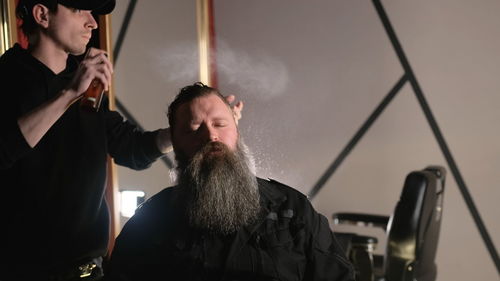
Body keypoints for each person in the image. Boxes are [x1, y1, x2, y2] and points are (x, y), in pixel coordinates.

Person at [0, 1, 241, 280]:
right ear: (42, 14)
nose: (92, 22)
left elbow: (130, 149)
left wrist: (192, 132)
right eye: (80, 10)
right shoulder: (9, 77)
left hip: (90, 270)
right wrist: (69, 94)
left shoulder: (84, 82)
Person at [108, 82, 354, 281]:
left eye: (220, 124)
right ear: (176, 143)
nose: (210, 135)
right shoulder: (151, 222)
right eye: (194, 129)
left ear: (236, 130)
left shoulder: (291, 210)